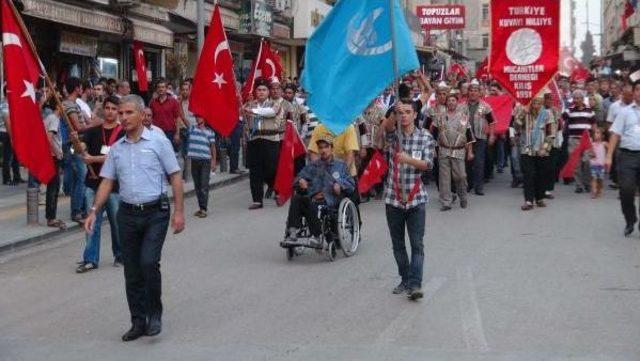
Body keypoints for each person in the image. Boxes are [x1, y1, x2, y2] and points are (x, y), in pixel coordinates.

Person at [84, 94, 185, 341]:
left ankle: (154, 314)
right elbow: (107, 180)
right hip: (127, 214)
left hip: (155, 213)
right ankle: (137, 321)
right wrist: (94, 211)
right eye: (121, 113)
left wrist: (179, 212)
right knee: (132, 271)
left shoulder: (158, 142)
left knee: (148, 262)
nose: (124, 117)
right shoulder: (117, 149)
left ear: (142, 114)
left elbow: (175, 175)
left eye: (129, 113)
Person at [380, 100, 435, 301]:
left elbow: (428, 164)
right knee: (397, 244)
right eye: (401, 113)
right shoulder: (394, 136)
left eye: (407, 112)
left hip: (416, 200)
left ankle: (415, 284)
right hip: (393, 199)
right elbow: (385, 128)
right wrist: (393, 111)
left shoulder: (425, 137)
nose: (404, 116)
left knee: (417, 244)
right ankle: (405, 278)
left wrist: (407, 159)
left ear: (415, 115)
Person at [76, 96, 125, 273]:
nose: (110, 111)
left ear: (118, 111)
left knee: (117, 223)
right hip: (93, 183)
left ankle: (120, 255)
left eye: (114, 108)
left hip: (114, 186)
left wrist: (93, 158)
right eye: (107, 108)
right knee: (91, 223)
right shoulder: (93, 130)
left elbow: (116, 157)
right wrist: (80, 145)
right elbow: (81, 146)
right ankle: (90, 258)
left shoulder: (123, 133)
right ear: (103, 109)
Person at [283, 136, 354, 247]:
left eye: (326, 147)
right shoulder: (313, 166)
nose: (323, 150)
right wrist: (301, 181)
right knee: (297, 198)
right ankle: (292, 232)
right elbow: (297, 179)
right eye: (320, 148)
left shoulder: (340, 166)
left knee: (313, 204)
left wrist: (340, 185)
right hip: (312, 198)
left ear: (331, 148)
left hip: (329, 201)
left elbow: (351, 184)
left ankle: (316, 236)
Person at [242, 78, 285, 210]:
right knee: (255, 171)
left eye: (264, 90)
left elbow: (270, 113)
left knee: (271, 169)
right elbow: (242, 116)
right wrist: (244, 107)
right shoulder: (251, 104)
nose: (261, 92)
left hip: (270, 140)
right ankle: (257, 200)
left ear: (268, 92)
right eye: (259, 90)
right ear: (255, 91)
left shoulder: (275, 104)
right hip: (254, 141)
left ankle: (277, 190)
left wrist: (252, 111)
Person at [605, 82, 640, 236]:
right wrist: (608, 156)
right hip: (627, 156)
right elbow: (615, 134)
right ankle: (630, 219)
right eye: (638, 90)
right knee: (626, 191)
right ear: (633, 93)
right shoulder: (625, 112)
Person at [513, 96, 556, 210]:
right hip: (527, 149)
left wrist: (545, 148)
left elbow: (551, 134)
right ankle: (528, 201)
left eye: (538, 103)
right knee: (528, 175)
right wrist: (523, 113)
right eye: (534, 103)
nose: (536, 106)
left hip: (542, 150)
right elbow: (516, 126)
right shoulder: (525, 112)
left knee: (541, 175)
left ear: (542, 103)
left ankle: (540, 198)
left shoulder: (547, 114)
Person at [432, 93, 474, 211]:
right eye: (449, 100)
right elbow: (433, 135)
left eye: (453, 100)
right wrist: (432, 150)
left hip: (459, 151)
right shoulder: (439, 117)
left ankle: (463, 196)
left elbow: (469, 136)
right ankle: (446, 202)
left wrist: (470, 152)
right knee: (444, 177)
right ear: (446, 103)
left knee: (461, 176)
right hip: (443, 150)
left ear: (457, 102)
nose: (451, 102)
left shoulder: (463, 118)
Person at [465, 80, 496, 196]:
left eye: (475, 91)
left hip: (480, 137)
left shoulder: (485, 106)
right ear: (468, 93)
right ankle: (468, 184)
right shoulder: (462, 106)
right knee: (467, 162)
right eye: (471, 91)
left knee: (479, 162)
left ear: (479, 93)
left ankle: (479, 187)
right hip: (466, 138)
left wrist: (492, 135)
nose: (473, 93)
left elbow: (492, 122)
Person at [562, 89, 596, 193]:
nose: (576, 100)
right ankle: (579, 185)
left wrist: (594, 138)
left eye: (578, 98)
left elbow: (594, 124)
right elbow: (561, 118)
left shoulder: (590, 110)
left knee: (587, 162)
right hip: (574, 140)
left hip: (586, 141)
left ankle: (587, 183)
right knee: (576, 163)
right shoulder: (569, 110)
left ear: (582, 99)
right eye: (575, 98)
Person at [187, 116, 217, 218]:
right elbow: (182, 117)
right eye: (196, 116)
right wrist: (181, 102)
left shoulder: (210, 132)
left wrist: (213, 161)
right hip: (194, 160)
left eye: (199, 116)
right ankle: (201, 208)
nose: (197, 118)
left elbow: (213, 148)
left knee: (204, 185)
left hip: (205, 161)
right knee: (197, 186)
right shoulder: (192, 128)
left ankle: (203, 209)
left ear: (204, 118)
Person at [43, 103, 65, 229]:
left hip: (51, 156)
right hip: (53, 157)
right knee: (54, 187)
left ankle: (51, 216)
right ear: (58, 106)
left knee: (53, 186)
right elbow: (49, 137)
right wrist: (57, 152)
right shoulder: (54, 119)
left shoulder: (50, 118)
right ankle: (51, 217)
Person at [149, 79, 183, 149]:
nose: (161, 89)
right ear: (156, 89)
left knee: (169, 152)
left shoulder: (173, 101)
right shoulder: (153, 102)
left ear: (166, 89)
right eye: (159, 87)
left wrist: (177, 133)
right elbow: (150, 117)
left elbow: (177, 118)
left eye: (163, 87)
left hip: (169, 132)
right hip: (156, 132)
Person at [0, 95, 22, 185]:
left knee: (16, 155)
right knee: (8, 156)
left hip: (12, 132)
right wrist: (12, 137)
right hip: (6, 132)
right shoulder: (4, 105)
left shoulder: (9, 104)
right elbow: (7, 122)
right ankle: (7, 178)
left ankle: (17, 177)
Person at [588, 127, 607, 199]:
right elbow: (589, 152)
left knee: (600, 179)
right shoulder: (591, 144)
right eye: (594, 133)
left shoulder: (604, 144)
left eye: (598, 133)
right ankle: (594, 191)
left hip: (601, 165)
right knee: (594, 178)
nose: (595, 134)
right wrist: (590, 153)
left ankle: (599, 189)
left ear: (602, 136)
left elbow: (610, 150)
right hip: (593, 164)